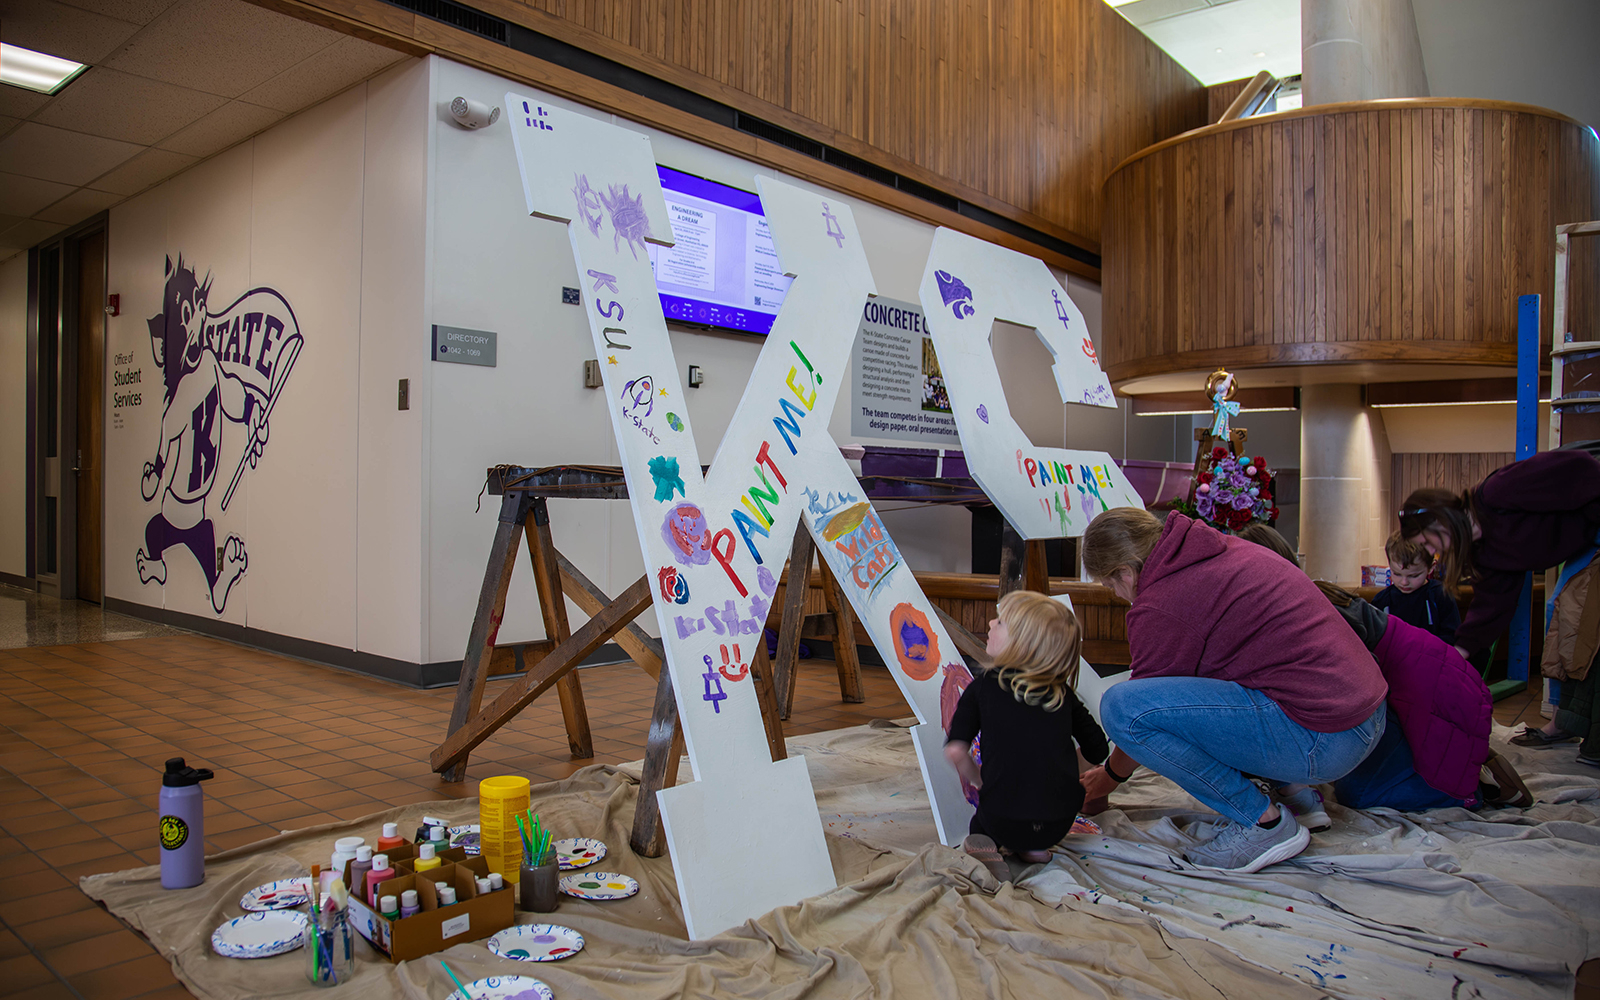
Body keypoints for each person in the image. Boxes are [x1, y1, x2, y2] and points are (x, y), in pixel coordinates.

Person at [1078, 508, 1387, 873]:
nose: (1116, 594)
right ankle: (1296, 797)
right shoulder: (1217, 548)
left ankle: (1264, 822)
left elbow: (1141, 718)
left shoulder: (1163, 599)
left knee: (1120, 707)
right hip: (1364, 717)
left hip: (1326, 740)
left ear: (1126, 573)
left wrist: (1108, 779)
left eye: (1110, 586)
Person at [1398, 449, 1600, 766]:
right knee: (1560, 618)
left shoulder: (1498, 493)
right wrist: (1457, 655)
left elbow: (1577, 467)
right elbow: (1492, 605)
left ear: (1439, 521)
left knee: (1576, 618)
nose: (1430, 552)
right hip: (1587, 543)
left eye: (1425, 543)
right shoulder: (1483, 553)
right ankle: (1567, 721)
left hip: (1594, 519)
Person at [945, 591, 1109, 882]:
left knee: (983, 823)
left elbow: (957, 750)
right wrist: (1066, 770)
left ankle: (988, 846)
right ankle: (1035, 849)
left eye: (1002, 622)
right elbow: (1098, 748)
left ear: (1021, 645)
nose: (991, 622)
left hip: (1002, 818)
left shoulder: (983, 688)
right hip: (1058, 822)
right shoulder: (1063, 693)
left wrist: (982, 780)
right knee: (1032, 814)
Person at [1372, 532, 1460, 644]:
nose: (1404, 582)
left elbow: (1452, 636)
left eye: (1413, 576)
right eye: (1396, 574)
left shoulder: (1440, 595)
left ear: (1431, 568)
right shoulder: (1381, 601)